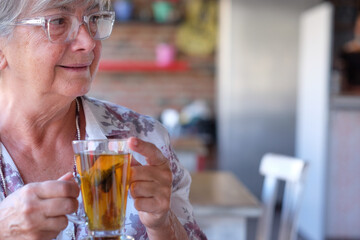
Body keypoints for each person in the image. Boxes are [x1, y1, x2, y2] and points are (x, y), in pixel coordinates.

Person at [0, 0, 207, 239]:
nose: (89, 42)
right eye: (58, 22)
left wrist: (163, 223)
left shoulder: (144, 142)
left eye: (94, 19)